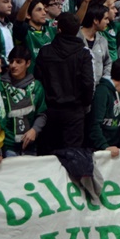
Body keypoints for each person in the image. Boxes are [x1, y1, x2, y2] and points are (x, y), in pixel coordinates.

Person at [34, 12, 95, 154]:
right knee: (72, 156)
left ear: (58, 29)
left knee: (49, 156)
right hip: (74, 111)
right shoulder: (84, 53)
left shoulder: (45, 51)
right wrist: (85, 104)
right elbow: (88, 83)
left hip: (50, 111)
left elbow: (38, 81)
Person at [0, 45, 46, 157]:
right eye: (11, 61)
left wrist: (34, 130)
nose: (13, 65)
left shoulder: (36, 86)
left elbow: (42, 114)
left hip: (30, 144)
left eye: (18, 62)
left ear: (28, 63)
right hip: (7, 145)